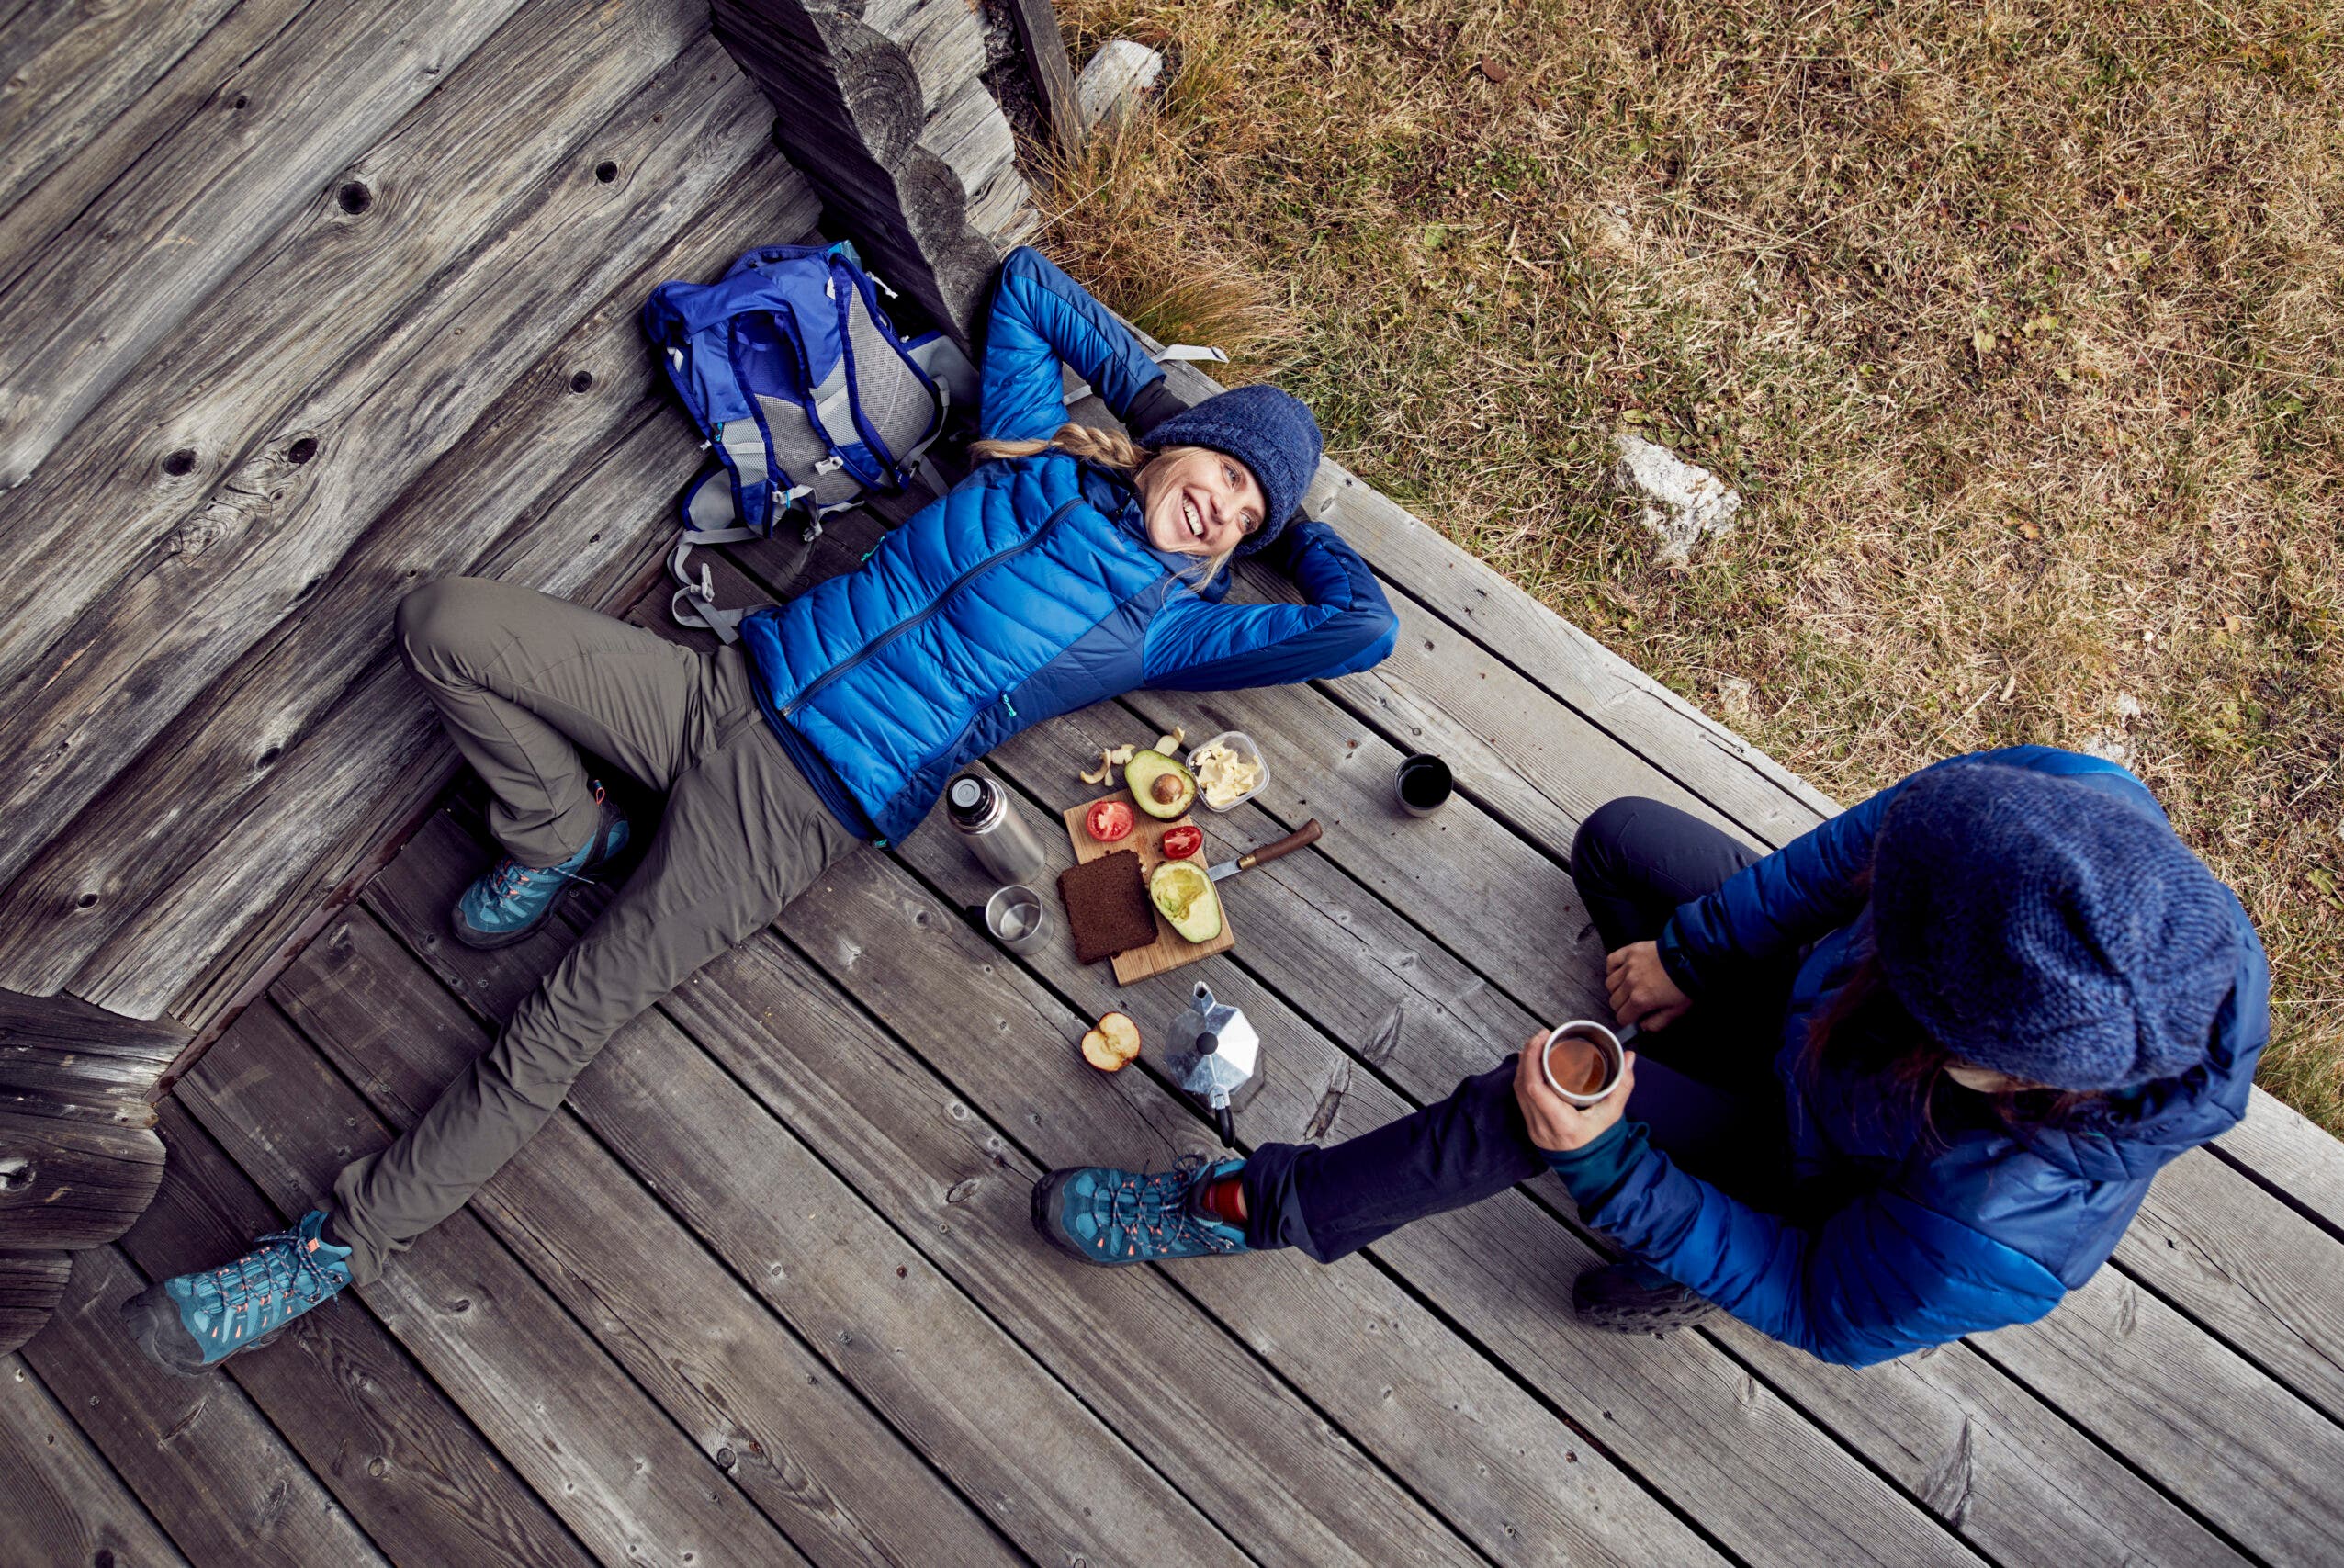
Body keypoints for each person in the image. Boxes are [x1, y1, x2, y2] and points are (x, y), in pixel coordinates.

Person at [125, 247, 1398, 1373]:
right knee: (444, 622)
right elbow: (1027, 287)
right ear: (1177, 442)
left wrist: (1292, 521)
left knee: (559, 1021)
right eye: (1222, 473)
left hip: (801, 804)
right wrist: (1177, 420)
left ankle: (330, 1250)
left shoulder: (1166, 628)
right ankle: (559, 833)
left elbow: (1363, 624)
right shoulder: (1025, 449)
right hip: (721, 687)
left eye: (1244, 520)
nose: (1222, 509)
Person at [1032, 747, 2269, 1367]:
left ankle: (1261, 1206)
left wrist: (1614, 1163)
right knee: (1620, 845)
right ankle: (1680, 1062)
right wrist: (1694, 955)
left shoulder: (1998, 1234)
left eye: (1900, 955)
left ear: (1994, 1072)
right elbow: (1857, 857)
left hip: (1810, 1177)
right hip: (1811, 1031)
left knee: (1524, 1107)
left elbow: (1820, 1303)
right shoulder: (2058, 817)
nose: (1883, 915)